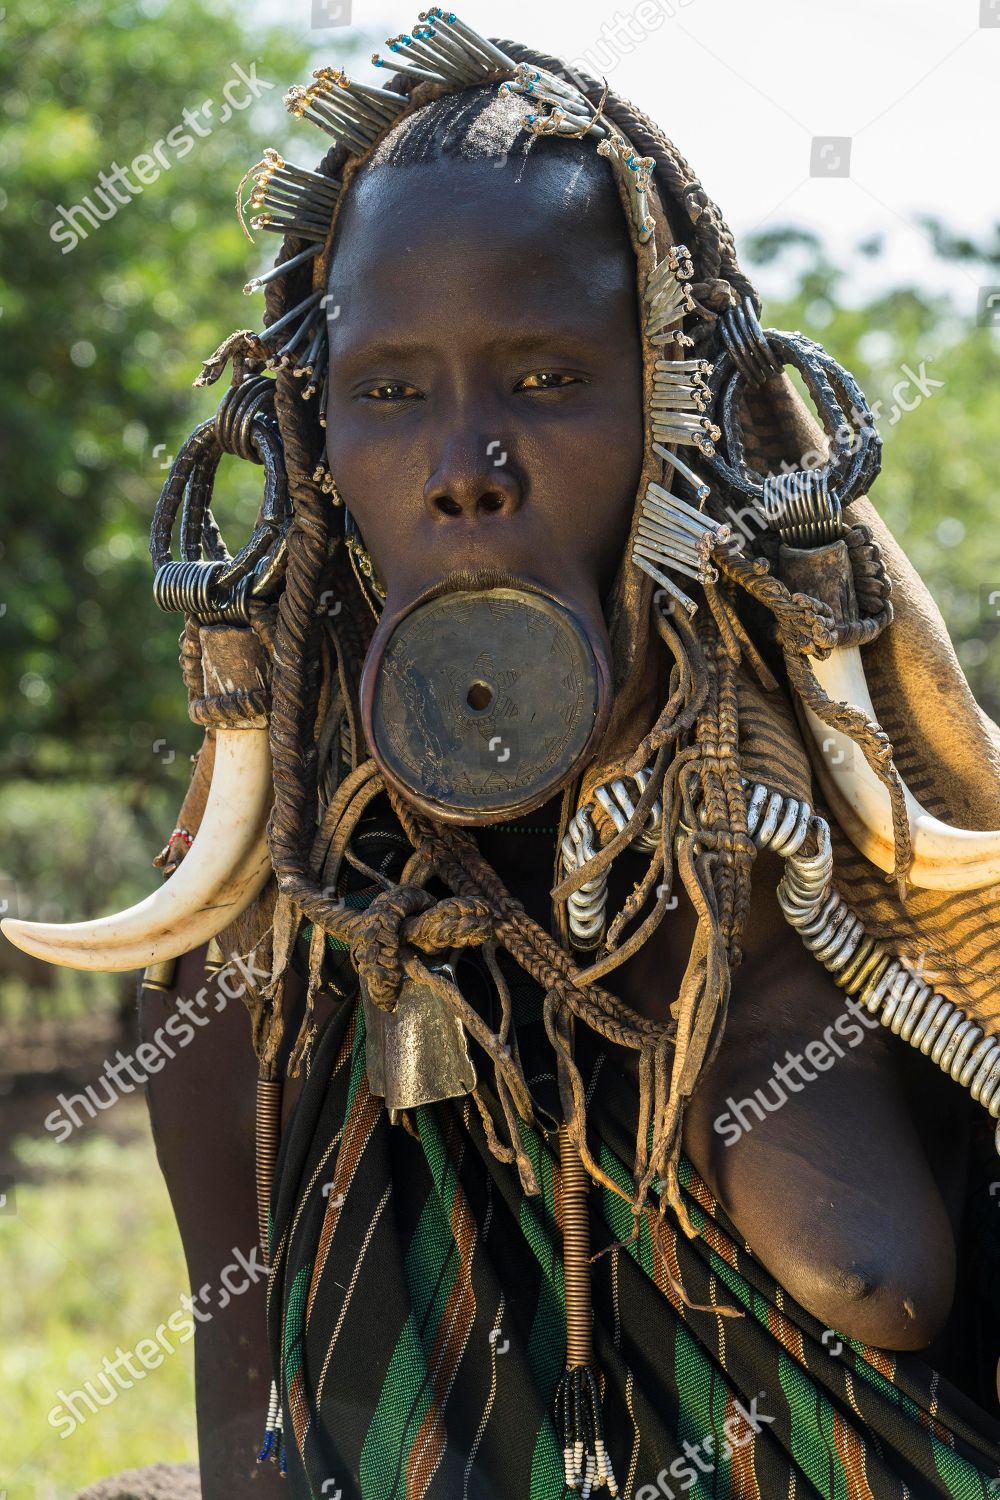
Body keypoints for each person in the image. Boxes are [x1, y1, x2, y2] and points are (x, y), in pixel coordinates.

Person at [9, 12, 1000, 1499]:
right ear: (313, 435)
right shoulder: (266, 942)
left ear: (674, 406)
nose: (465, 468)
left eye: (544, 381)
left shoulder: (851, 868)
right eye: (394, 394)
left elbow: (910, 1295)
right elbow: (257, 1427)